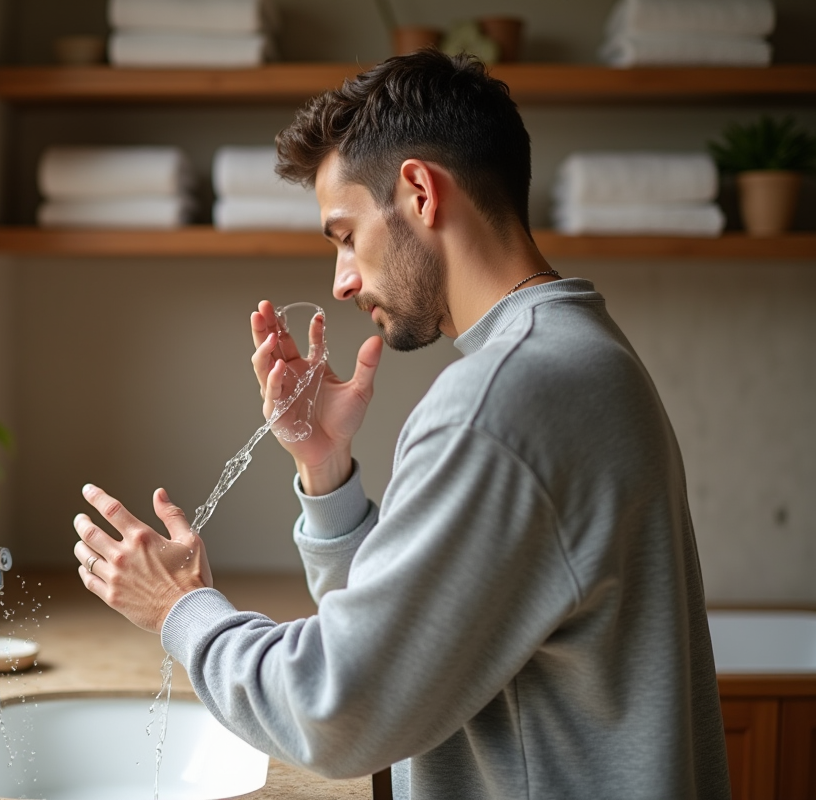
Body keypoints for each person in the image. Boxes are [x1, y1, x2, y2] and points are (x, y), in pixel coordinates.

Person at [72, 50, 730, 799]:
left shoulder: (497, 401)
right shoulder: (583, 355)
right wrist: (325, 472)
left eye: (346, 235)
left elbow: (339, 711)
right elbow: (422, 641)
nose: (341, 280)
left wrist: (180, 612)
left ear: (419, 191)